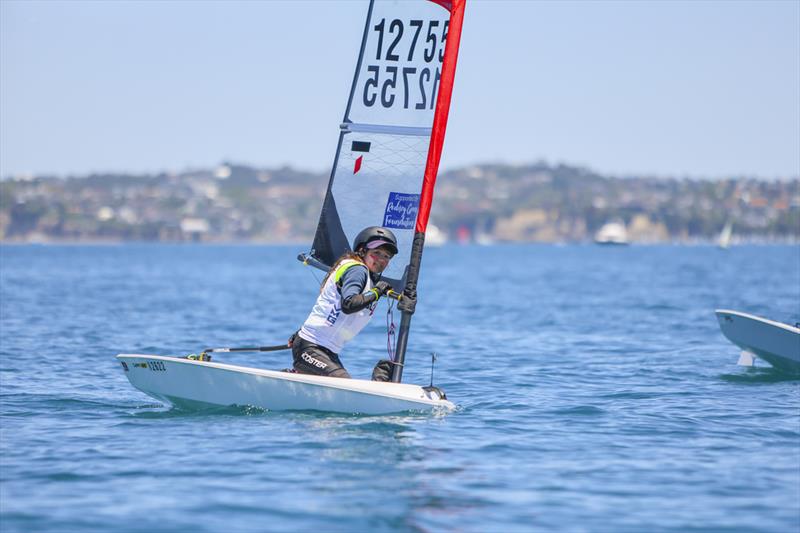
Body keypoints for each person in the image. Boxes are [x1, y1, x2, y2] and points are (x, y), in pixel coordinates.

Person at [288, 226, 398, 381]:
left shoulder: (368, 277)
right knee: (342, 381)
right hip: (311, 347)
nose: (381, 259)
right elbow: (349, 304)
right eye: (376, 253)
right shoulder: (357, 271)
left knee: (344, 382)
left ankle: (298, 377)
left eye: (386, 256)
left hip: (326, 350)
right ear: (362, 250)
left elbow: (330, 307)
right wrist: (376, 292)